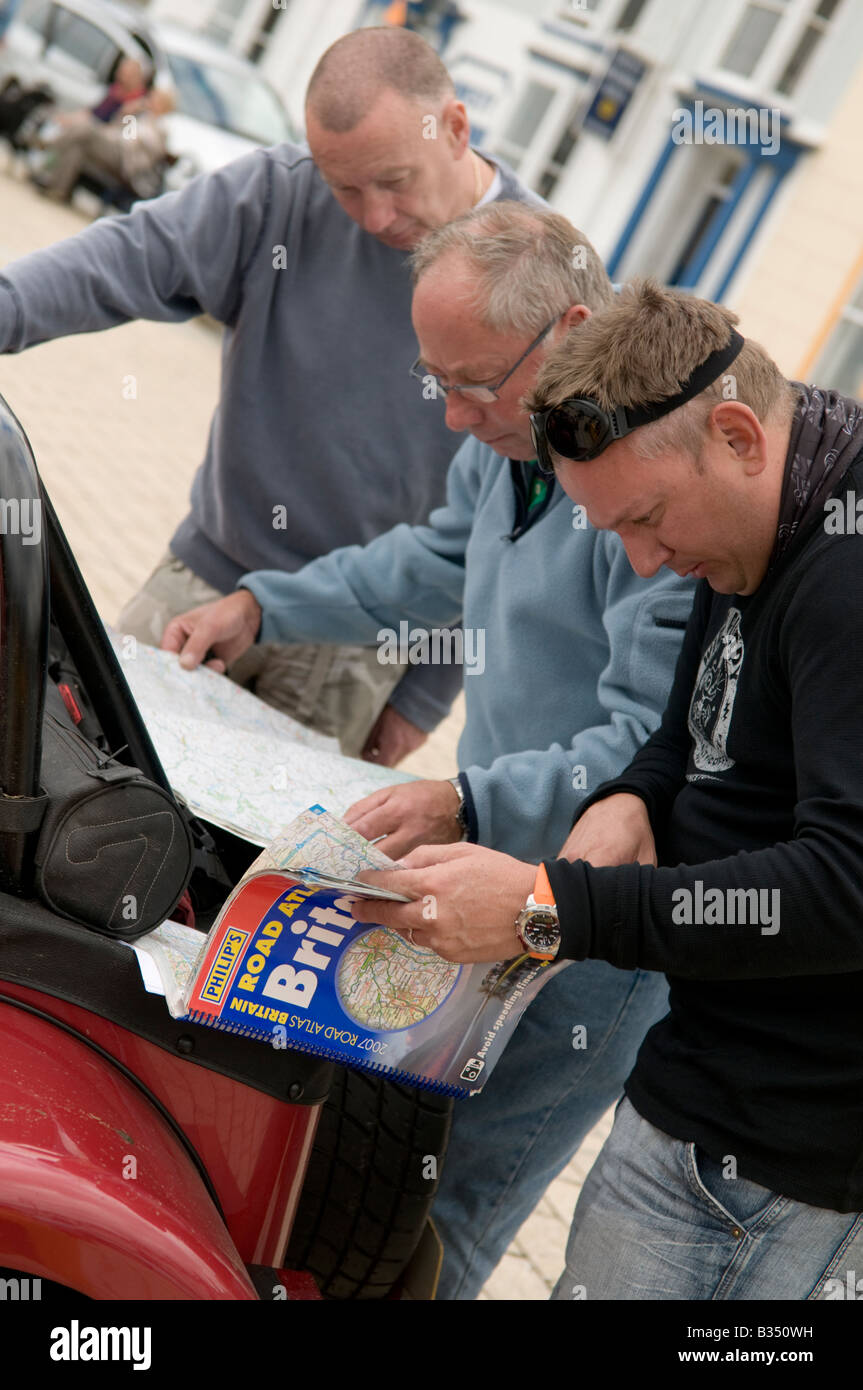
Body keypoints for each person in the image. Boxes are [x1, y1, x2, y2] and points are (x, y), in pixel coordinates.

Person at [162, 204, 695, 1298]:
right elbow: (431, 558)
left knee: (454, 1209)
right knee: (381, 1184)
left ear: (569, 330)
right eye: (433, 381)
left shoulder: (647, 503)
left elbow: (652, 751)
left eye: (473, 383)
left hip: (598, 930)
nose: (450, 416)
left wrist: (466, 799)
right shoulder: (510, 449)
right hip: (488, 858)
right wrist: (263, 605)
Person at [350, 279, 863, 1300]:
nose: (643, 561)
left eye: (646, 518)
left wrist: (549, 911)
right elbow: (685, 726)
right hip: (695, 1082)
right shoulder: (754, 510)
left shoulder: (842, 579)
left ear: (734, 434)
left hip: (792, 1160)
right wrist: (633, 790)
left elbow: (844, 885)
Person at [0, 26, 537, 763]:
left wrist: (421, 696)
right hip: (204, 582)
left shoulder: (541, 273)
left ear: (454, 128)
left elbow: (516, 525)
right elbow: (122, 260)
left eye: (394, 181)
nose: (373, 217)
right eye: (344, 187)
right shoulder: (277, 193)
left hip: (361, 649)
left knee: (249, 874)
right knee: (76, 788)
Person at [37, 88, 174, 204]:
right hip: (113, 148)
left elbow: (134, 142)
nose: (150, 99)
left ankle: (47, 144)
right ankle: (58, 188)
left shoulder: (161, 127)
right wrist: (126, 113)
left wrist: (134, 118)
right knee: (79, 146)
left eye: (155, 98)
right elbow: (116, 128)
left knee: (86, 129)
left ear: (164, 105)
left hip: (124, 160)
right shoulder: (143, 116)